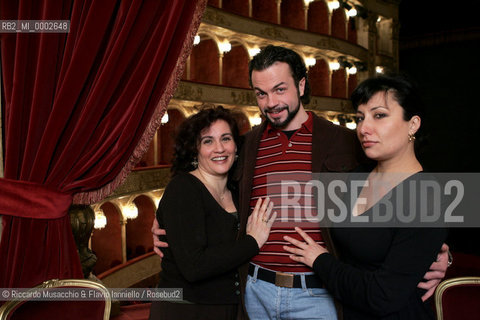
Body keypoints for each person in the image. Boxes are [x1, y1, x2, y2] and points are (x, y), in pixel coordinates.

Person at [152, 46, 450, 319]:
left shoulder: (346, 142)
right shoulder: (244, 146)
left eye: (280, 89)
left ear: (302, 85)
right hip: (254, 289)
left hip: (320, 293)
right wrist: (164, 221)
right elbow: (208, 195)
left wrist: (437, 251)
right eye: (261, 93)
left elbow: (399, 183)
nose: (271, 103)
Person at [283, 74, 448, 319]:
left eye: (379, 115)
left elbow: (383, 296)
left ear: (413, 124)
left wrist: (320, 261)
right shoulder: (356, 176)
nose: (363, 128)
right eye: (360, 118)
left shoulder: (427, 197)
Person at [148, 106, 276, 320]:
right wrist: (252, 242)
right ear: (195, 149)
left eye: (226, 139)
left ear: (236, 146)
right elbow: (194, 267)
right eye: (208, 141)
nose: (219, 148)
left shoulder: (237, 192)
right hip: (185, 311)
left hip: (228, 308)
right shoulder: (183, 189)